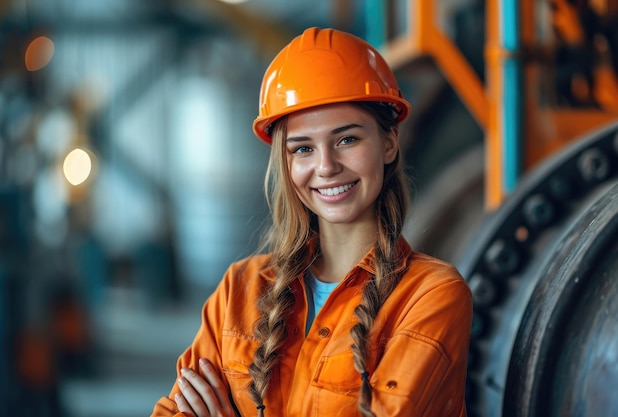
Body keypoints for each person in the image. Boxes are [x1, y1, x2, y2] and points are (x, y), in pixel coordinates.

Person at [151, 27, 472, 417]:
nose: (326, 166)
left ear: (389, 143)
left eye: (347, 140)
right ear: (285, 163)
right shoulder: (239, 291)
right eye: (303, 148)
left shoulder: (431, 297)